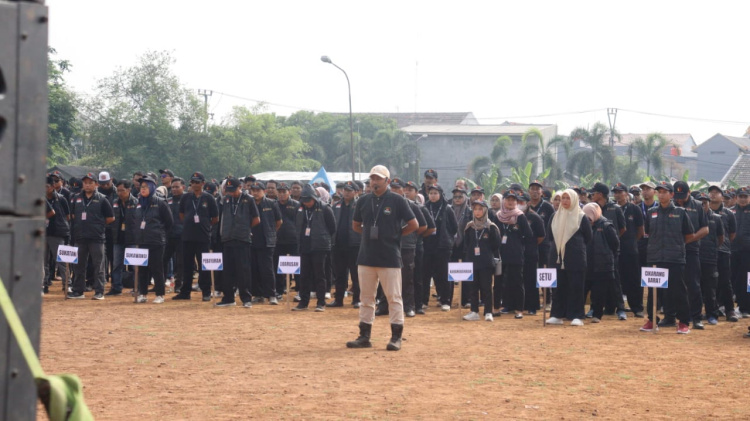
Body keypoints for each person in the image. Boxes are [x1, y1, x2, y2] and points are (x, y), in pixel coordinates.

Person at [346, 165, 417, 351]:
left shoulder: (397, 200)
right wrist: (368, 235)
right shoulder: (362, 200)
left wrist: (396, 235)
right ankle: (364, 336)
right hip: (366, 256)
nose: (374, 182)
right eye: (372, 178)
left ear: (387, 181)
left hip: (390, 257)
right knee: (366, 298)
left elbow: (414, 224)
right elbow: (355, 225)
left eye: (378, 179)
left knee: (394, 297)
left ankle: (396, 337)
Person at [640, 181, 695, 334]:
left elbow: (689, 235)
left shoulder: (681, 212)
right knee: (653, 291)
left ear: (671, 195)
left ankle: (683, 322)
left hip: (675, 258)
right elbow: (648, 233)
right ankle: (652, 320)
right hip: (655, 257)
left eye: (665, 192)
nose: (661, 194)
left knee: (678, 291)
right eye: (659, 192)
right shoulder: (651, 212)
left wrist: (675, 245)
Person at [546, 189, 592, 326]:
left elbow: (588, 237)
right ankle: (557, 315)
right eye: (562, 198)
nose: (565, 201)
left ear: (574, 199)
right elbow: (549, 236)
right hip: (557, 258)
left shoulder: (581, 217)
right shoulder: (554, 216)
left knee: (576, 287)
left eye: (567, 198)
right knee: (558, 288)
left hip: (575, 258)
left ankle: (577, 316)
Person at [67, 173, 115, 300]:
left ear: (96, 184)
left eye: (90, 182)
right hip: (80, 237)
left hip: (96, 238)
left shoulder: (102, 199)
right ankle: (78, 291)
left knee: (98, 266)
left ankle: (99, 292)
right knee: (79, 266)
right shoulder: (76, 198)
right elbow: (72, 216)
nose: (87, 185)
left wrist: (98, 225)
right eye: (85, 183)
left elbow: (111, 218)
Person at [215, 177, 260, 307]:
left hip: (242, 239)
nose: (231, 192)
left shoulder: (248, 199)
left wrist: (246, 228)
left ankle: (246, 299)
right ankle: (229, 298)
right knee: (227, 270)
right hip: (228, 239)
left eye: (233, 190)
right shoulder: (227, 199)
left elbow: (257, 219)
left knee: (243, 270)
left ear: (240, 187)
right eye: (228, 190)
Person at [174, 172, 219, 301]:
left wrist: (205, 225)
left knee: (203, 265)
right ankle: (185, 292)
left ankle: (205, 292)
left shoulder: (209, 198)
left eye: (197, 182)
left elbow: (215, 218)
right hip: (187, 236)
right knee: (187, 265)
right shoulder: (186, 197)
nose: (194, 184)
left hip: (203, 236)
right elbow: (182, 215)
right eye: (192, 182)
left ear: (203, 183)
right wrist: (189, 223)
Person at [293, 184, 336, 312]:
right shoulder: (300, 208)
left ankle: (321, 302)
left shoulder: (325, 208)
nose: (306, 203)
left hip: (319, 247)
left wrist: (324, 240)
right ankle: (303, 302)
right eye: (304, 201)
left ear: (314, 198)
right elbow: (297, 224)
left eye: (308, 200)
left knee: (319, 275)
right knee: (304, 275)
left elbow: (332, 228)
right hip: (304, 246)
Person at [131, 175, 174, 303]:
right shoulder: (138, 203)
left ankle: (160, 294)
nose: (142, 189)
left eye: (145, 187)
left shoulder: (160, 202)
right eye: (141, 187)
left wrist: (160, 233)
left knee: (157, 268)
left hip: (156, 241)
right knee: (142, 269)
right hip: (141, 241)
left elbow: (169, 222)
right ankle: (142, 294)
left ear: (151, 187)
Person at [672, 181, 709, 329]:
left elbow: (705, 229)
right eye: (677, 196)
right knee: (674, 285)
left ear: (689, 193)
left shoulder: (697, 206)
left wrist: (690, 239)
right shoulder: (670, 205)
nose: (679, 200)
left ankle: (696, 317)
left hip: (691, 250)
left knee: (693, 285)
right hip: (673, 252)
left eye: (683, 196)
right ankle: (673, 316)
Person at [496, 190, 533, 319]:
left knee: (517, 282)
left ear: (516, 202)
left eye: (513, 200)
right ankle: (506, 305)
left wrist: (518, 244)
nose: (510, 202)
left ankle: (519, 309)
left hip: (516, 254)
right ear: (504, 201)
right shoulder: (498, 216)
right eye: (508, 199)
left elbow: (528, 235)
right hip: (501, 254)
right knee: (502, 282)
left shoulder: (520, 216)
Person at [462, 200, 501, 321]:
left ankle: (488, 312)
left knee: (486, 287)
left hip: (486, 262)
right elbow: (467, 244)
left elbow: (496, 245)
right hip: (472, 261)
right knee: (473, 287)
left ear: (485, 211)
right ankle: (474, 311)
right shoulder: (469, 227)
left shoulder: (491, 227)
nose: (477, 212)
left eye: (480, 209)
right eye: (475, 209)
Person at [582, 203, 620, 323]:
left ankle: (597, 315)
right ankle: (578, 313)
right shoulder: (584, 225)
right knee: (582, 290)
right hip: (587, 264)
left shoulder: (607, 226)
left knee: (599, 293)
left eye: (589, 217)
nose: (588, 220)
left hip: (603, 265)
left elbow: (615, 244)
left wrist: (608, 258)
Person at [423, 184, 458, 311]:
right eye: (431, 193)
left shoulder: (447, 208)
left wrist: (447, 238)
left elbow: (454, 228)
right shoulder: (425, 207)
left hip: (443, 247)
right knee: (425, 275)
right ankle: (423, 301)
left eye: (435, 193)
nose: (433, 196)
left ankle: (445, 301)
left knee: (443, 274)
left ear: (441, 194)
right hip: (427, 246)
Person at [613, 182, 645, 317]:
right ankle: (615, 306)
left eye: (620, 192)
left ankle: (637, 308)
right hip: (614, 249)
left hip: (630, 250)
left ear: (626, 194)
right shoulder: (611, 208)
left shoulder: (634, 209)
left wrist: (631, 242)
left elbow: (640, 231)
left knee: (633, 279)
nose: (618, 195)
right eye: (615, 192)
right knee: (615, 279)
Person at [707, 185, 738, 322]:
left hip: (723, 251)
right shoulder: (703, 212)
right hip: (707, 252)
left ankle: (730, 310)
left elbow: (731, 234)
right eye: (711, 193)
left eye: (716, 193)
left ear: (722, 196)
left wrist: (722, 244)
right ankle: (712, 311)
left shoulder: (728, 214)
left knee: (725, 281)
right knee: (709, 283)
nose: (713, 195)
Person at [249, 181, 283, 304]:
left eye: (258, 190)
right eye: (253, 190)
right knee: (254, 268)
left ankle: (271, 295)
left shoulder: (271, 203)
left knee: (267, 269)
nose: (255, 192)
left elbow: (279, 222)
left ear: (264, 191)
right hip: (251, 240)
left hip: (267, 241)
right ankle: (258, 295)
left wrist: (271, 233)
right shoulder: (249, 203)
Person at [404, 181, 435, 315]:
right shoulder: (398, 205)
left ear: (417, 192)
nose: (407, 192)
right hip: (401, 246)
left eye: (410, 190)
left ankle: (418, 305)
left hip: (416, 247)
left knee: (417, 277)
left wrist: (417, 237)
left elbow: (430, 228)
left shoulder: (420, 208)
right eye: (405, 189)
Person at [330, 181, 362, 308]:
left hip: (355, 245)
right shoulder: (336, 205)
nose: (347, 192)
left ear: (356, 192)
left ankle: (357, 299)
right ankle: (338, 299)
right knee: (340, 274)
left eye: (350, 190)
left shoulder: (360, 205)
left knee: (356, 274)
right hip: (338, 245)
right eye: (345, 190)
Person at [697, 192, 725, 325]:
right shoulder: (692, 217)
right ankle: (695, 314)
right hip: (695, 257)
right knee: (695, 287)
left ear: (709, 203)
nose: (703, 205)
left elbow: (721, 238)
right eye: (700, 202)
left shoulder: (717, 218)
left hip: (710, 258)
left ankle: (711, 315)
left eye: (705, 202)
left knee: (710, 289)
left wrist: (712, 249)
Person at [108, 180, 138, 295]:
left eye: (122, 190)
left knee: (135, 265)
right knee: (116, 265)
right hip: (118, 239)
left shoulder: (136, 202)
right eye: (118, 190)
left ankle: (137, 287)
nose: (120, 193)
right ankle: (116, 288)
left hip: (132, 239)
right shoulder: (115, 202)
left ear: (129, 190)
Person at [518, 192, 545, 315]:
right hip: (517, 253)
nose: (519, 204)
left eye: (522, 202)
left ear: (528, 203)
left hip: (531, 253)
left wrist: (531, 245)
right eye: (517, 202)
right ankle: (519, 305)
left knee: (531, 280)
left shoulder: (535, 217)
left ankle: (533, 306)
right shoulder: (514, 216)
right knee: (518, 280)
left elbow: (541, 236)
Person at [43, 175, 71, 294]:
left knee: (61, 260)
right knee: (43, 262)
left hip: (57, 233)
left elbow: (68, 216)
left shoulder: (61, 199)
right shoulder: (39, 199)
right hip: (42, 233)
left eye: (46, 186)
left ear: (53, 186)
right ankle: (44, 285)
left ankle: (67, 284)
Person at [274, 182, 301, 299]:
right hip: (278, 241)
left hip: (294, 241)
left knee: (297, 268)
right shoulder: (273, 205)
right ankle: (279, 291)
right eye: (279, 192)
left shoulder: (296, 205)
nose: (281, 195)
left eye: (283, 192)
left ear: (289, 192)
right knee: (278, 267)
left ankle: (300, 291)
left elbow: (300, 222)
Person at [730, 187, 750, 318]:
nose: (743, 199)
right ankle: (739, 306)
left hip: (748, 252)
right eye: (740, 196)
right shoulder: (730, 212)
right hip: (733, 251)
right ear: (736, 198)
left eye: (745, 196)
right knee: (735, 279)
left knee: (747, 280)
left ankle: (746, 308)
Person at [164, 178, 185, 293]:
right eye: (172, 187)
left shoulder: (187, 199)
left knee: (181, 262)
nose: (174, 189)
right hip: (169, 235)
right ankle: (160, 283)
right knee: (163, 259)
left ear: (183, 187)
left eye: (177, 187)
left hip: (182, 236)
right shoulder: (168, 201)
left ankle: (179, 285)